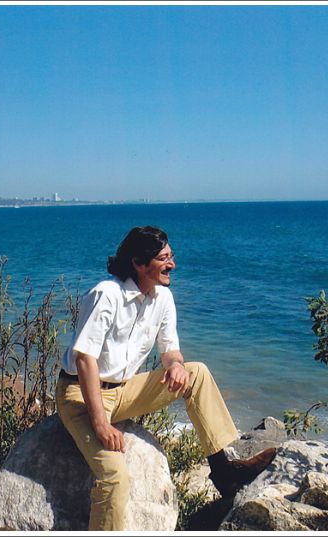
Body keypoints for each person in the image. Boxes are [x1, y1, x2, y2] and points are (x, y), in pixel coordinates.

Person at [56, 225, 277, 531]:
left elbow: (170, 348)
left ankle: (224, 470)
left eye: (171, 256)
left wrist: (174, 364)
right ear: (138, 263)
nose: (172, 264)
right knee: (115, 478)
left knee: (195, 372)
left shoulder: (163, 298)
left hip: (124, 391)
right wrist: (101, 423)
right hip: (82, 395)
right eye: (163, 258)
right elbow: (84, 360)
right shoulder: (106, 295)